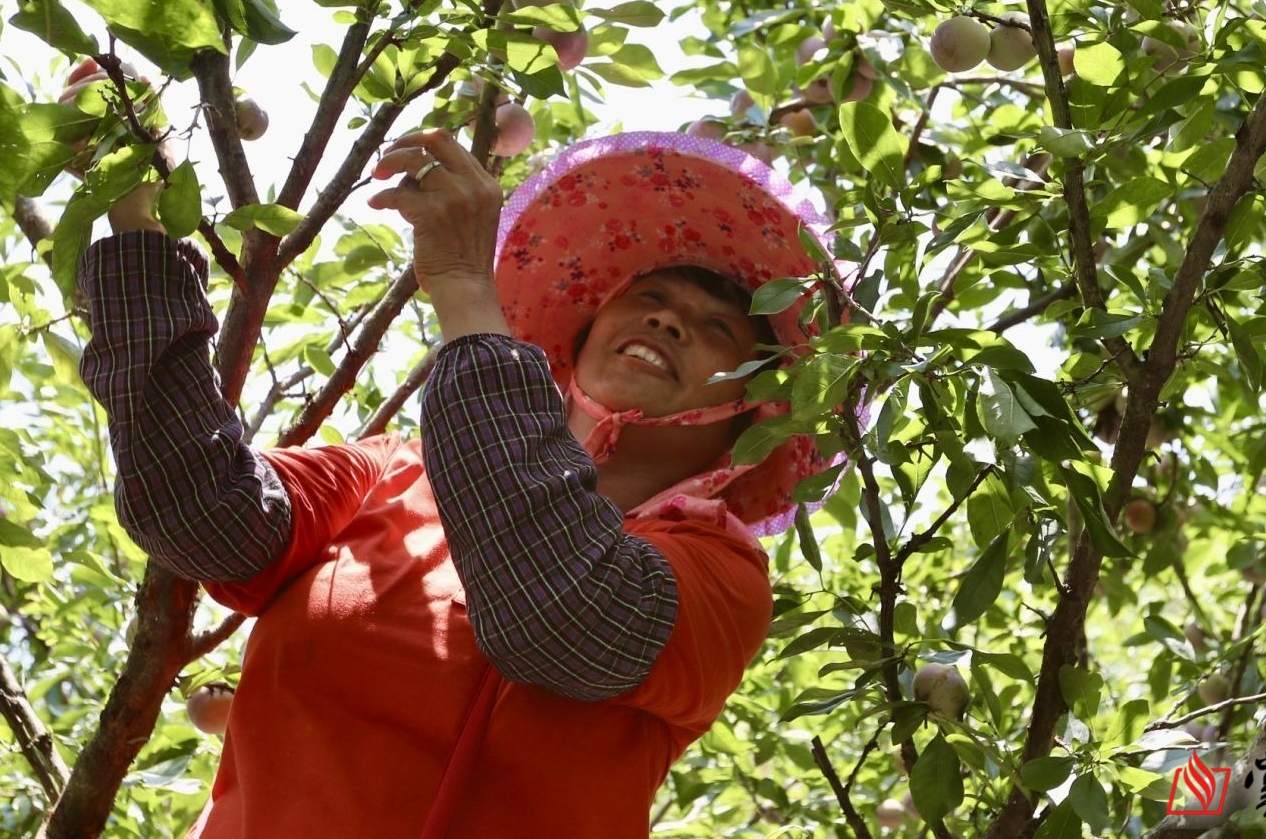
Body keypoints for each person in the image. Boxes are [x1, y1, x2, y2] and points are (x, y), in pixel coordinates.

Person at [67, 64, 852, 838]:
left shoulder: (721, 576)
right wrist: (141, 218)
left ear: (757, 405)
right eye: (649, 296)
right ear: (581, 338)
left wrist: (463, 289)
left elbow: (560, 617)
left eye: (717, 328)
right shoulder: (390, 473)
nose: (669, 321)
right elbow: (197, 508)